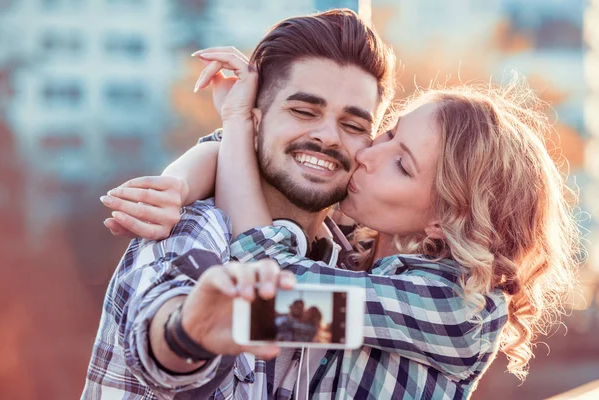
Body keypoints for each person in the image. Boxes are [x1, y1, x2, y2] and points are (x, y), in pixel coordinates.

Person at [103, 48, 580, 399]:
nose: (369, 155)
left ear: (442, 221)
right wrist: (186, 174)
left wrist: (236, 126)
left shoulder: (456, 310)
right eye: (388, 134)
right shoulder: (356, 256)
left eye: (402, 164)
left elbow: (272, 293)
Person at [83, 8, 396, 400]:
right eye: (303, 111)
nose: (328, 137)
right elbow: (159, 339)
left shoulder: (351, 266)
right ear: (256, 120)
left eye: (353, 125)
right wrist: (189, 334)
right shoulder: (193, 227)